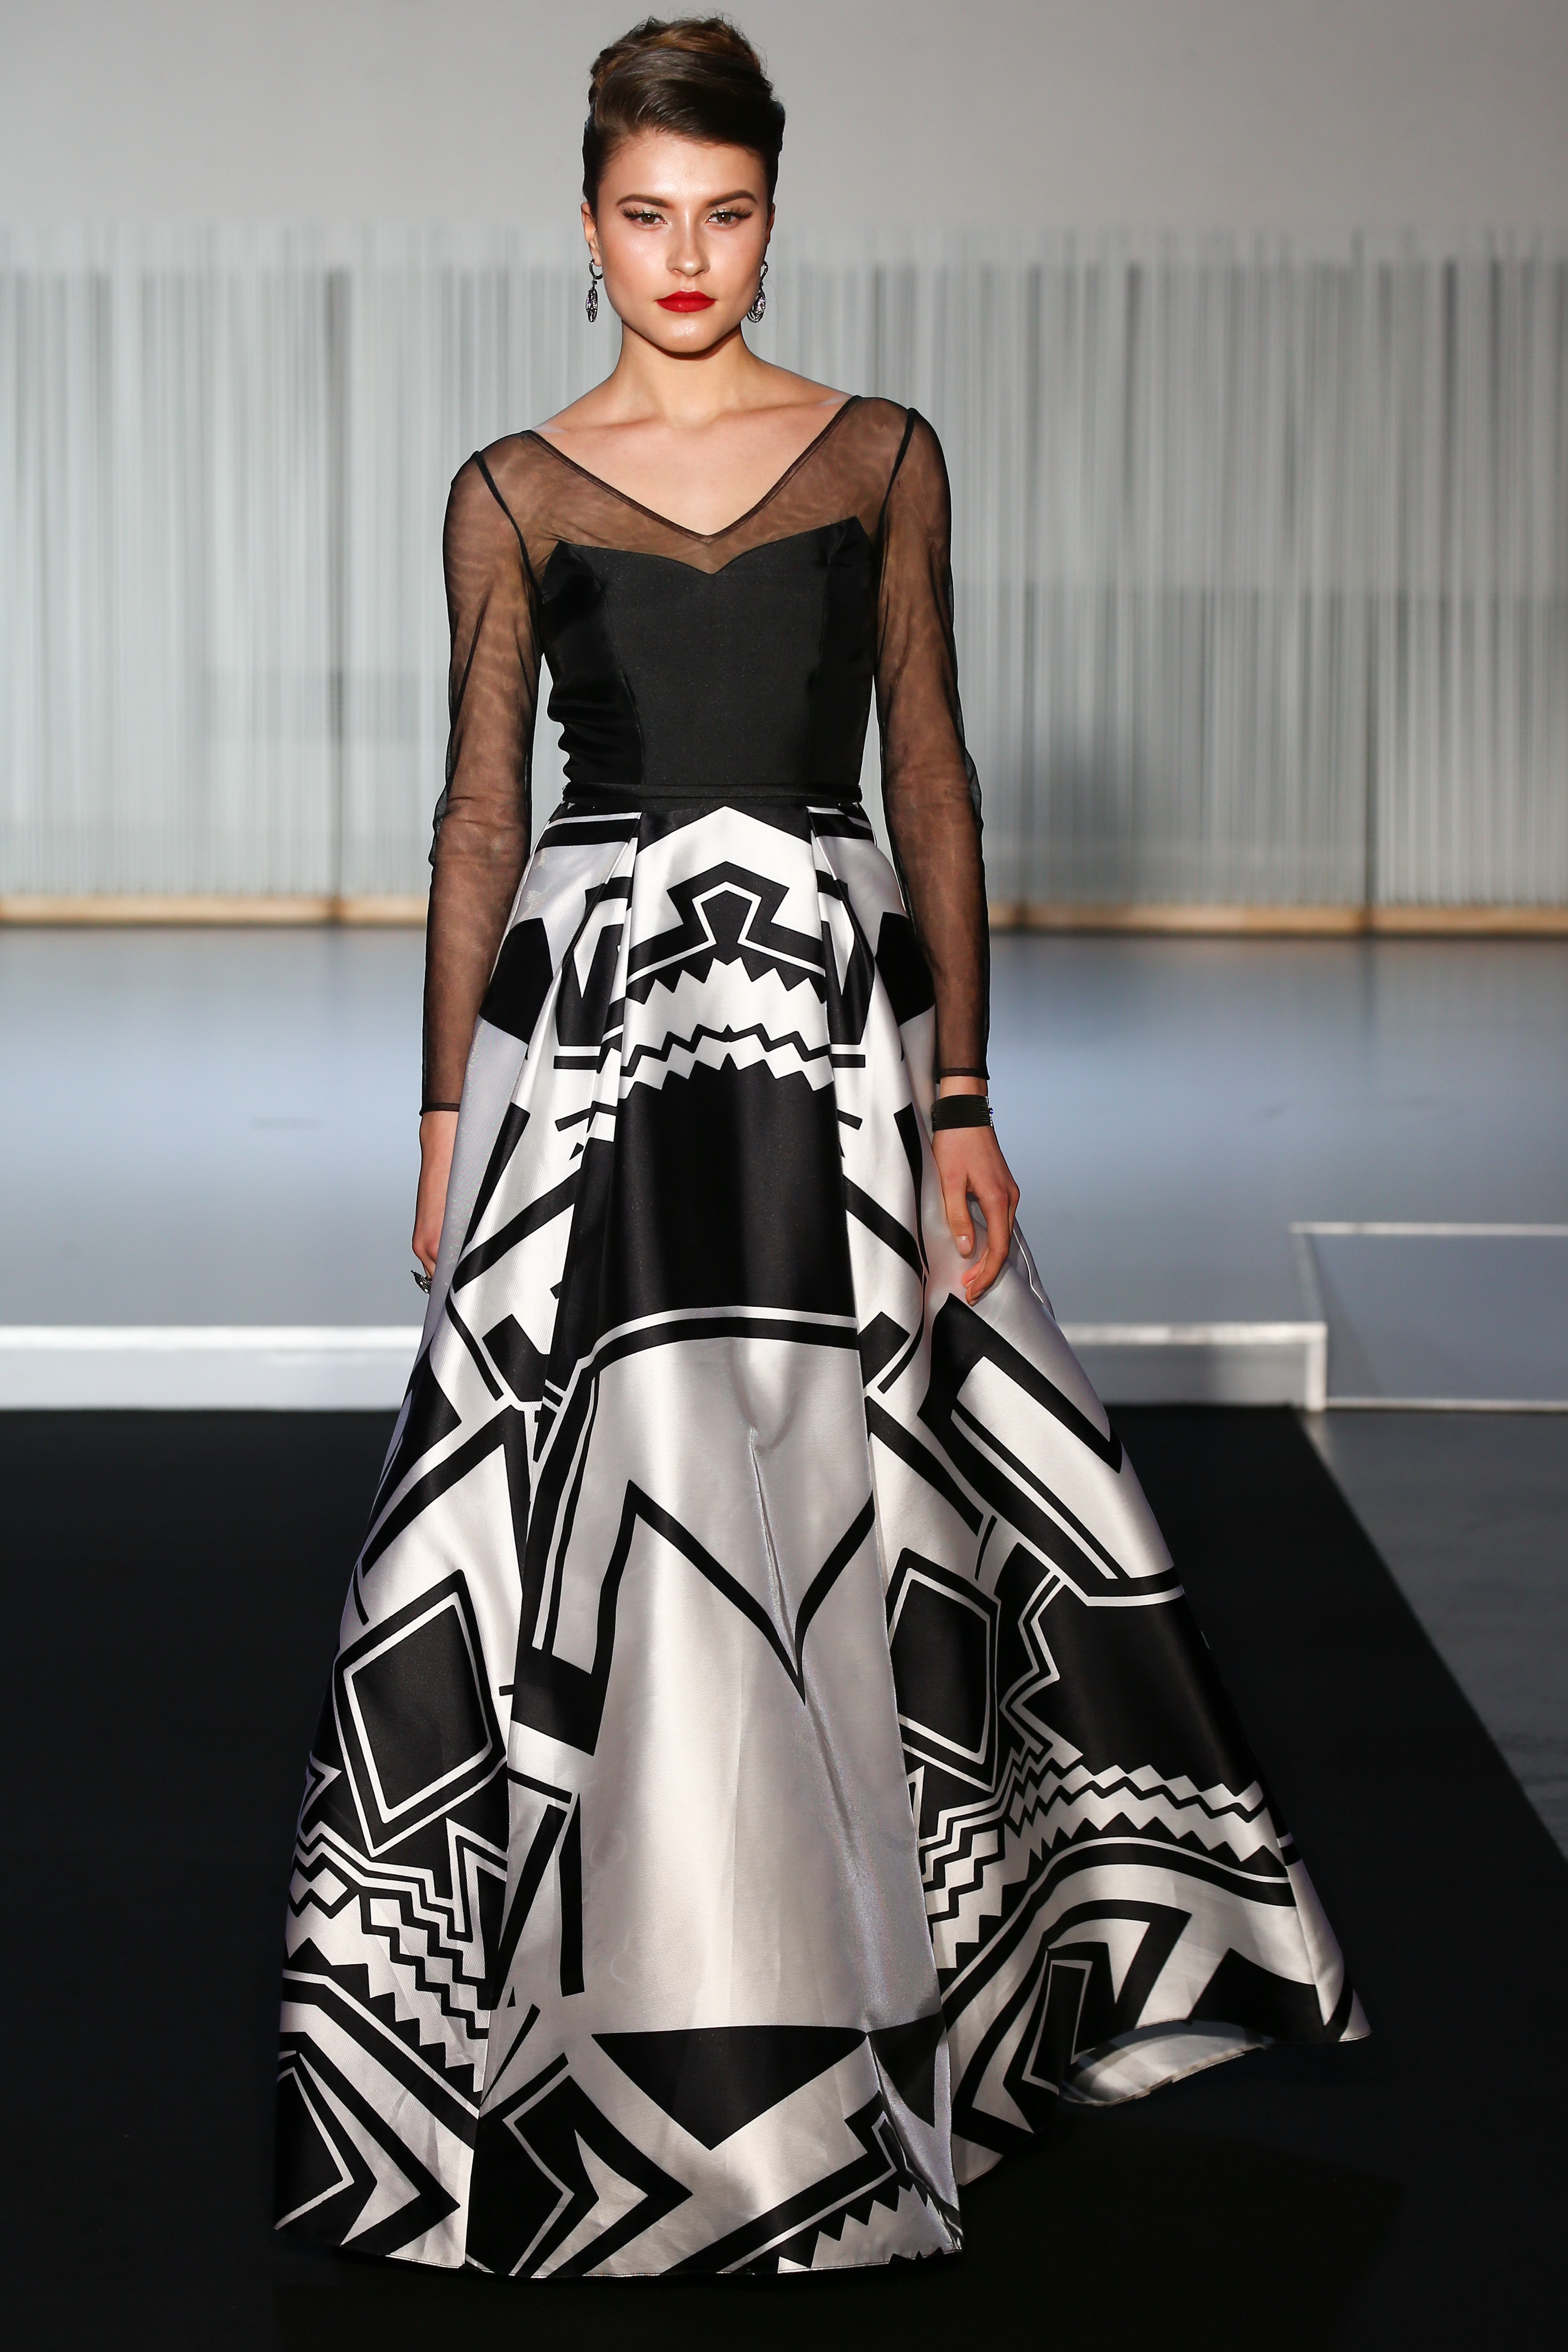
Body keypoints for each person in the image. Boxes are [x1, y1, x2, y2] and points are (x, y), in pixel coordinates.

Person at [275, 15, 1364, 2279]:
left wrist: (965, 1090)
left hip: (832, 1025)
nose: (687, 256)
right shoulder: (514, 490)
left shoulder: (879, 455)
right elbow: (479, 810)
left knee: (871, 1487)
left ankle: (917, 2035)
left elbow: (929, 770)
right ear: (589, 227)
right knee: (604, 1502)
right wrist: (444, 1110)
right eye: (647, 216)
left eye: (728, 212)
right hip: (603, 1040)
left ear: (776, 213)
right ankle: (593, 2050)